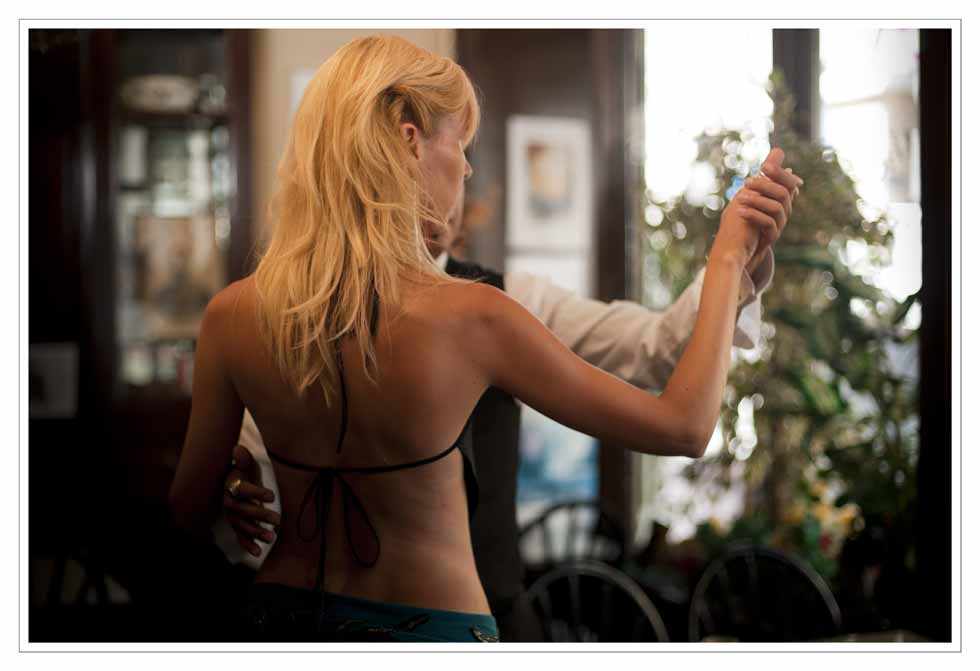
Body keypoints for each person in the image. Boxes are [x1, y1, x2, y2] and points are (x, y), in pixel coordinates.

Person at [170, 34, 802, 643]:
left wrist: (232, 489)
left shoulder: (231, 315)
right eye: (460, 143)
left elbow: (187, 513)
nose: (468, 166)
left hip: (280, 623)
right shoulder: (474, 315)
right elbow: (684, 427)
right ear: (409, 143)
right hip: (426, 631)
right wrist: (726, 260)